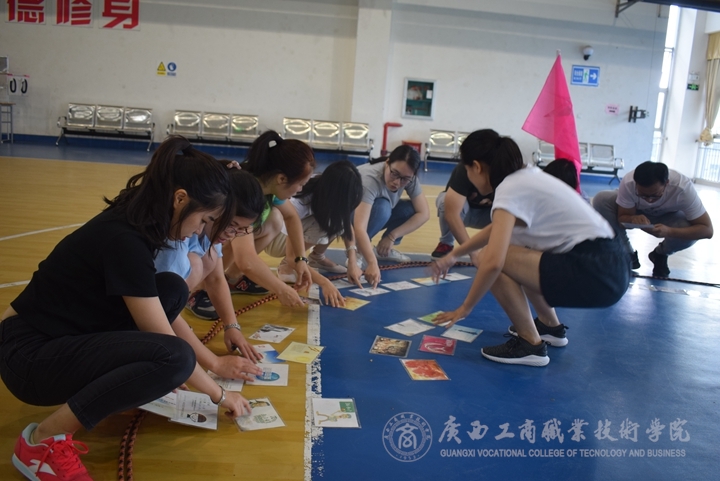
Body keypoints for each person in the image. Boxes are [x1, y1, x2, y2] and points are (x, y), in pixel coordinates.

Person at [0, 136, 261, 481]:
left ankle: (116, 391)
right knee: (175, 358)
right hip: (28, 359)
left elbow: (159, 317)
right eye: (204, 220)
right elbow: (166, 341)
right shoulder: (125, 240)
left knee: (170, 290)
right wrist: (218, 393)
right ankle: (42, 442)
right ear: (180, 198)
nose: (199, 231)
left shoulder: (139, 219)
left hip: (58, 338)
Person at [431, 131, 630, 367]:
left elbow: (493, 262)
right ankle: (550, 327)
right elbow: (496, 229)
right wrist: (454, 254)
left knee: (490, 256)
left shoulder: (509, 188)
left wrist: (465, 308)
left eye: (467, 170)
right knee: (515, 248)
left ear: (476, 167)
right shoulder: (526, 176)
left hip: (596, 270)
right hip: (614, 265)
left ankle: (530, 345)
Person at [155, 165, 266, 361]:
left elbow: (216, 279)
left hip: (160, 307)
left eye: (240, 230)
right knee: (197, 263)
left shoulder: (210, 232)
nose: (232, 235)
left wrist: (232, 326)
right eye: (232, 225)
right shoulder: (179, 238)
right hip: (146, 314)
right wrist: (214, 363)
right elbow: (158, 309)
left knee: (209, 257)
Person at [223, 130, 314, 307]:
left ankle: (231, 278)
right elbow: (246, 260)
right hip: (198, 248)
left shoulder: (268, 184)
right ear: (282, 178)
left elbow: (292, 217)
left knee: (275, 219)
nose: (300, 190)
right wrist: (281, 289)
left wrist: (300, 259)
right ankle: (200, 288)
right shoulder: (246, 193)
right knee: (233, 239)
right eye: (300, 184)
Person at [268, 161, 364, 306]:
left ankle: (317, 257)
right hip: (274, 238)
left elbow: (345, 222)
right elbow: (293, 256)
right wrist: (324, 283)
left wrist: (352, 261)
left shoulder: (326, 189)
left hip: (288, 233)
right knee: (328, 222)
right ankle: (286, 267)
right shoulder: (300, 199)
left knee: (335, 219)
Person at [592, 161, 713, 277]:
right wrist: (632, 219)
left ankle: (661, 254)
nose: (649, 200)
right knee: (602, 199)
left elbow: (707, 230)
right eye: (642, 195)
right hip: (638, 212)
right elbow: (622, 220)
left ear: (666, 183)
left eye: (655, 195)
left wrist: (669, 231)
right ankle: (626, 253)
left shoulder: (683, 188)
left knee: (691, 231)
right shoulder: (629, 182)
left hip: (669, 217)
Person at [354, 145, 430, 288]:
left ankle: (383, 250)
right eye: (394, 174)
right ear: (387, 163)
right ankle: (357, 251)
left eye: (405, 179)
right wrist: (372, 263)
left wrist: (391, 236)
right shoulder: (370, 179)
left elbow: (424, 213)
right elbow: (359, 227)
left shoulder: (409, 178)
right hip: (346, 219)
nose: (397, 182)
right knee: (383, 207)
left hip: (368, 216)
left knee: (409, 209)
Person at [431, 129, 497, 261]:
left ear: (477, 167)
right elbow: (452, 214)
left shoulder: (508, 179)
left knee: (509, 216)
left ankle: (498, 247)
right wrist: (473, 253)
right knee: (445, 201)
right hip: (467, 213)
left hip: (492, 217)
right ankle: (446, 243)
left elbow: (512, 221)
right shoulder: (462, 170)